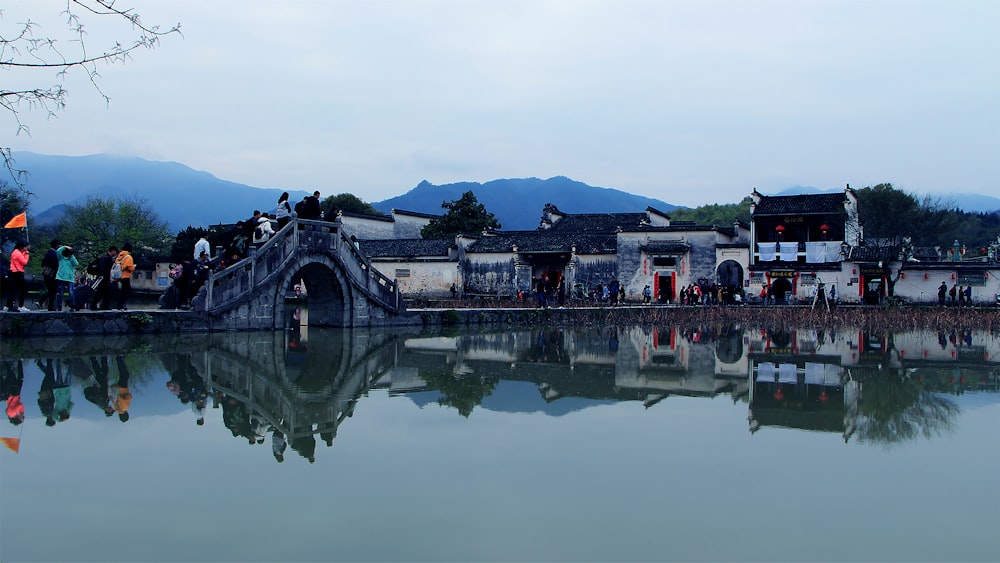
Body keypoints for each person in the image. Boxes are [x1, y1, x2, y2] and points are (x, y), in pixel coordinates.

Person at [5, 240, 29, 312]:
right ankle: (20, 305)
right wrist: (26, 254)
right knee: (22, 289)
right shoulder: (17, 253)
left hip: (15, 272)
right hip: (17, 272)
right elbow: (24, 262)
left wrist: (24, 253)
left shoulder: (16, 252)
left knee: (14, 289)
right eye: (25, 247)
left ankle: (8, 305)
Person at [37, 239, 61, 311]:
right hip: (50, 274)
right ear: (56, 245)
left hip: (46, 273)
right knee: (52, 290)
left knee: (51, 290)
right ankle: (46, 304)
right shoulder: (53, 253)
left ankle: (48, 304)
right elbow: (54, 264)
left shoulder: (48, 252)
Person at [91, 246, 118, 310]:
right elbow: (101, 267)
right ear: (113, 251)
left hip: (105, 277)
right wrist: (101, 274)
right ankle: (95, 305)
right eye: (115, 251)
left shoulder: (108, 258)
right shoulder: (106, 258)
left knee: (105, 292)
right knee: (101, 291)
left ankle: (105, 305)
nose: (116, 253)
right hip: (103, 277)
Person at [54, 245, 79, 311]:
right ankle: (59, 306)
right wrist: (65, 247)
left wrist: (72, 256)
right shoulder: (61, 258)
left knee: (71, 292)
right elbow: (58, 251)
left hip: (70, 278)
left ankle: (72, 306)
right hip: (61, 277)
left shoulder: (71, 259)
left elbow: (76, 263)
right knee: (60, 293)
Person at [115, 243, 136, 310]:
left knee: (123, 290)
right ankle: (121, 304)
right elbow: (129, 268)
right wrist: (133, 267)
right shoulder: (128, 257)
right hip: (126, 276)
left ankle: (119, 304)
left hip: (120, 275)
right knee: (127, 290)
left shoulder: (119, 256)